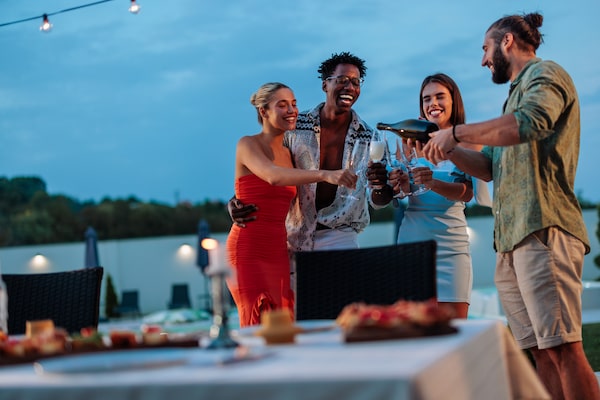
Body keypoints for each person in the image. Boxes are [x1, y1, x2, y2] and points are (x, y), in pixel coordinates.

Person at [422, 13, 600, 399]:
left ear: (506, 42)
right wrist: (448, 148)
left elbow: (531, 122)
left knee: (564, 347)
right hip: (509, 241)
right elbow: (488, 168)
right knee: (540, 352)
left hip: (542, 230)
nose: (483, 60)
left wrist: (456, 132)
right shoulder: (512, 100)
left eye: (485, 49)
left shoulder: (545, 74)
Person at [229, 52, 388, 253]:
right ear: (325, 85)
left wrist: (381, 185)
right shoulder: (294, 127)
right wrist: (236, 200)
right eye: (342, 80)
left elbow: (379, 201)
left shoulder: (370, 138)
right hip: (292, 236)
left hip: (341, 236)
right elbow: (268, 169)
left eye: (356, 82)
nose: (349, 87)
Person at [227, 82, 356, 327]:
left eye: (294, 104)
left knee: (283, 322)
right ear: (263, 111)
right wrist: (325, 174)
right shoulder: (247, 144)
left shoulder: (290, 152)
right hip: (249, 248)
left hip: (279, 250)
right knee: (257, 322)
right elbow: (272, 176)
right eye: (282, 105)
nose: (291, 110)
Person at [371, 73, 486, 319]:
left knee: (456, 325)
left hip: (452, 244)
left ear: (453, 101)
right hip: (413, 241)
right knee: (411, 323)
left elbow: (467, 194)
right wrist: (400, 184)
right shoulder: (408, 142)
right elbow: (402, 192)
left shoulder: (468, 143)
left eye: (440, 97)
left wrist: (432, 182)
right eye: (427, 99)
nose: (433, 103)